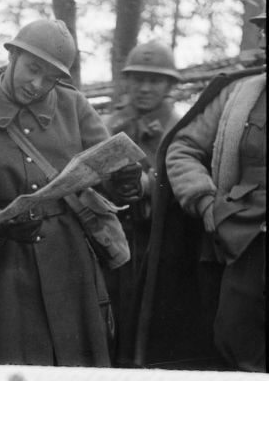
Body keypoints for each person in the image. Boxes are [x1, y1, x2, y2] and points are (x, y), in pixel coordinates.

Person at [0, 19, 142, 367]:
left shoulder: (73, 106)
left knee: (76, 369)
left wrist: (124, 182)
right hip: (1, 271)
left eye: (50, 78)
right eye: (32, 70)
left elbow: (105, 165)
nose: (38, 85)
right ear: (13, 57)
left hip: (70, 263)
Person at [135, 12, 265, 372]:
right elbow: (183, 148)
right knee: (234, 337)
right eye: (265, 32)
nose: (264, 40)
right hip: (243, 237)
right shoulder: (239, 94)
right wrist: (204, 200)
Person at [105, 40, 181, 366]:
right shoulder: (112, 123)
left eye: (154, 80)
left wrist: (150, 184)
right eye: (138, 79)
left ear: (168, 86)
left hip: (158, 241)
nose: (145, 88)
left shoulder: (181, 127)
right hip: (113, 235)